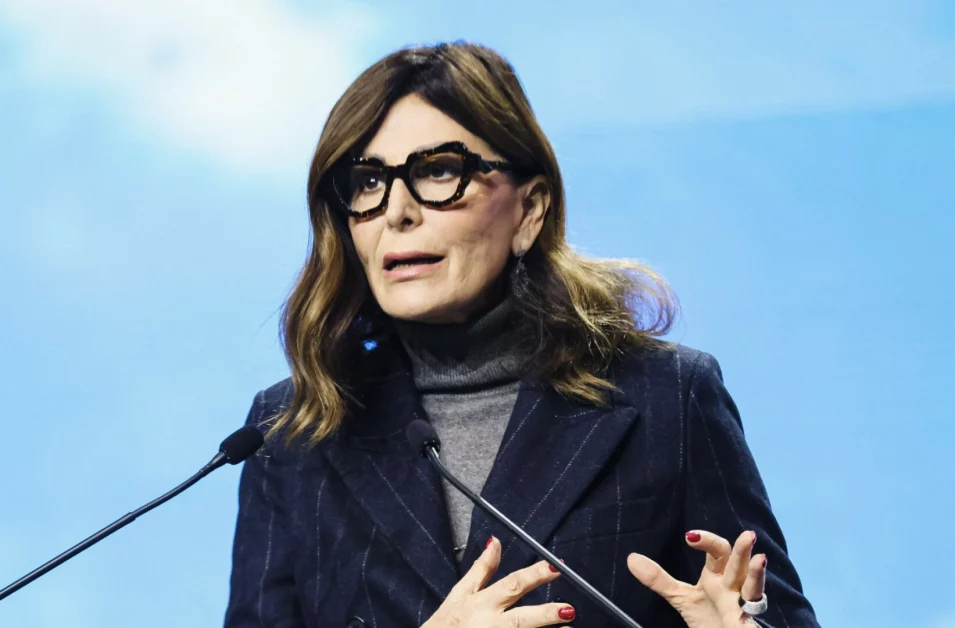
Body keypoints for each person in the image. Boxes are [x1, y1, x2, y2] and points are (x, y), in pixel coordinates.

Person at [223, 42, 819, 628]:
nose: (397, 211)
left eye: (439, 171)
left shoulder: (668, 398)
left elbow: (773, 614)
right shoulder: (290, 434)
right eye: (367, 181)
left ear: (530, 210)